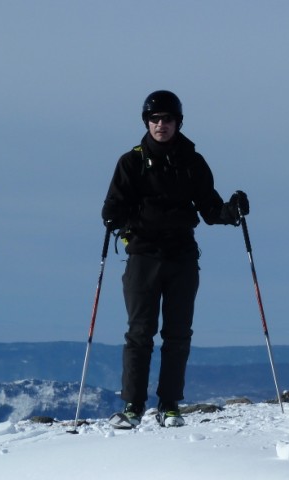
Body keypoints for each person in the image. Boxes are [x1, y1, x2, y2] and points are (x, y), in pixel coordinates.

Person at [101, 90, 249, 428]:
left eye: (167, 119)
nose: (160, 125)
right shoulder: (132, 162)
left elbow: (210, 210)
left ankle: (169, 405)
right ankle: (133, 406)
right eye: (154, 119)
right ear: (147, 122)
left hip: (181, 254)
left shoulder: (192, 162)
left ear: (177, 122)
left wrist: (232, 210)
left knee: (178, 333)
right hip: (143, 256)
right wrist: (122, 228)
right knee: (140, 332)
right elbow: (111, 208)